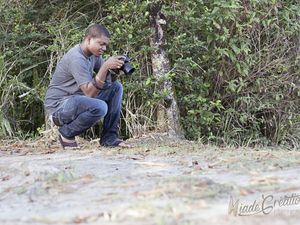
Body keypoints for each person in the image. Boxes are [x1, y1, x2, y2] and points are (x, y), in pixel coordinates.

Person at [44, 24, 130, 149]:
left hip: (77, 100)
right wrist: (106, 66)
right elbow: (90, 93)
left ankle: (109, 138)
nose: (104, 48)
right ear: (89, 39)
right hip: (59, 107)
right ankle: (66, 134)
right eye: (101, 44)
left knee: (116, 87)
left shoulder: (94, 55)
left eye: (106, 45)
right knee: (100, 107)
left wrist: (114, 72)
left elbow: (103, 80)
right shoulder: (76, 58)